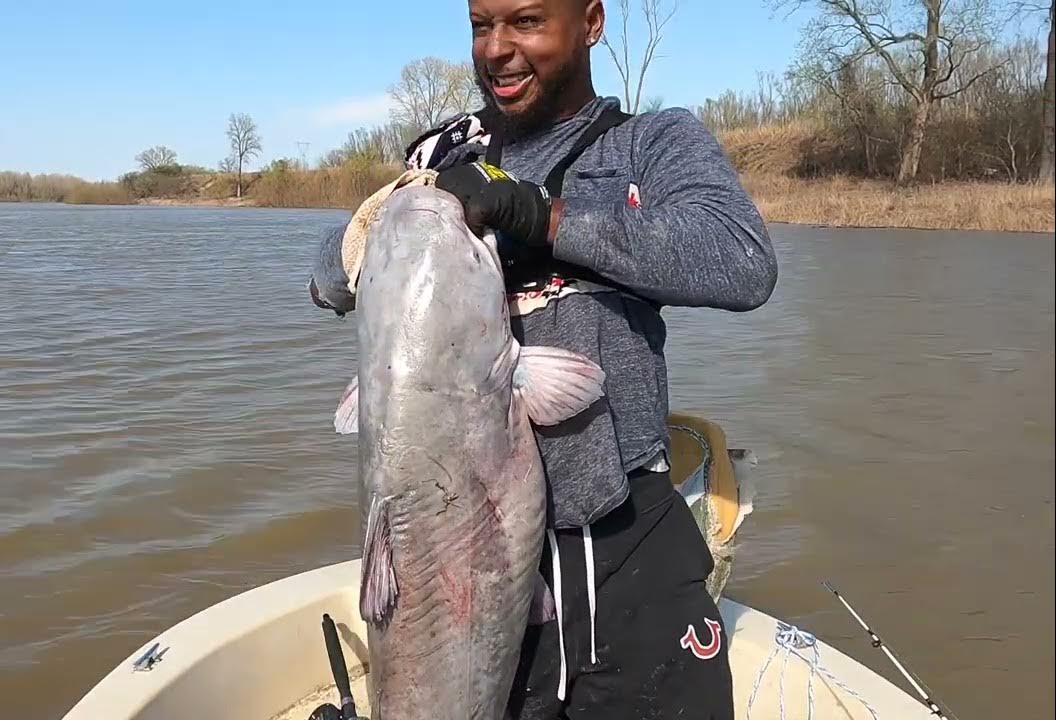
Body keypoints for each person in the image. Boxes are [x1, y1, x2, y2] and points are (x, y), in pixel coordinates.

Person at [308, 0, 777, 717]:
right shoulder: (442, 156)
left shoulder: (648, 144)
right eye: (480, 25)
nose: (497, 49)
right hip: (451, 551)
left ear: (590, 22)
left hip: (621, 532)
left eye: (525, 22)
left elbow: (741, 261)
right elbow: (327, 285)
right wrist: (372, 228)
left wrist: (544, 217)